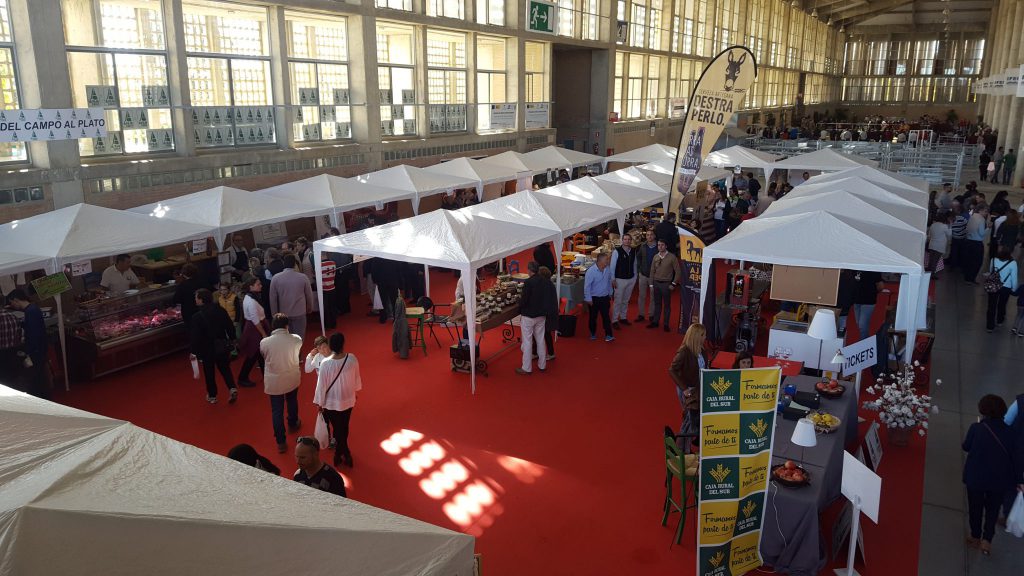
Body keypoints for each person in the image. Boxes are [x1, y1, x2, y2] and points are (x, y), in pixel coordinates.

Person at [962, 394, 1019, 556]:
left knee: (975, 507)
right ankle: (987, 540)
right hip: (999, 480)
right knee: (993, 509)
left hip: (976, 477)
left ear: (983, 410)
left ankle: (975, 536)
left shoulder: (976, 428)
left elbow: (966, 446)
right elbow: (1016, 457)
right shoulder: (1011, 433)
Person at [313, 332, 362, 468]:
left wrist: (319, 402)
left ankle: (340, 453)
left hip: (330, 402)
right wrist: (354, 392)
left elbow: (321, 386)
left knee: (337, 427)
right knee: (344, 426)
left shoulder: (325, 363)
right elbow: (356, 380)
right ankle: (345, 452)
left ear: (330, 345)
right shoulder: (352, 359)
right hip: (348, 400)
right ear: (343, 344)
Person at [260, 314, 303, 453]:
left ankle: (281, 442)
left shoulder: (265, 342)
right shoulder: (297, 339)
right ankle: (293, 423)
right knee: (292, 400)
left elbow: (264, 355)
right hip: (291, 377)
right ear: (287, 326)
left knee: (276, 410)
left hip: (274, 381)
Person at [189, 288, 238, 404]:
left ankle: (212, 396)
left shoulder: (197, 317)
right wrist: (232, 340)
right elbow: (230, 326)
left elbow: (195, 336)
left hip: (207, 348)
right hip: (222, 344)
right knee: (225, 368)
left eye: (196, 298)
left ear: (201, 300)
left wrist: (193, 351)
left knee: (209, 372)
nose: (195, 300)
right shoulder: (220, 310)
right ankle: (232, 387)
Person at [668, 323, 706, 454]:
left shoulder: (701, 350)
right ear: (696, 336)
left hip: (697, 390)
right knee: (690, 419)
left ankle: (682, 447)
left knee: (689, 420)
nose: (705, 337)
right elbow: (672, 369)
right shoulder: (684, 351)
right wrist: (684, 389)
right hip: (688, 391)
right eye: (703, 335)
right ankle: (682, 448)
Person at [5, 289, 48, 399]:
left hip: (36, 351)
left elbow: (34, 335)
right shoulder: (33, 309)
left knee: (37, 380)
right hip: (39, 350)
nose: (12, 306)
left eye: (11, 303)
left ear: (15, 300)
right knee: (40, 379)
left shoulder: (30, 311)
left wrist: (29, 352)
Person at [269, 254, 314, 338]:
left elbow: (273, 299)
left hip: (283, 314)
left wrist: (274, 314)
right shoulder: (303, 277)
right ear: (294, 264)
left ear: (283, 264)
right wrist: (310, 307)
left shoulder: (275, 278)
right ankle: (299, 351)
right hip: (300, 312)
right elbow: (309, 295)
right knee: (299, 336)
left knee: (286, 337)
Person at [516, 261, 548, 375]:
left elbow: (524, 300)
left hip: (529, 316)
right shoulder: (544, 281)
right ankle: (542, 364)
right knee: (540, 339)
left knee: (528, 341)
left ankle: (527, 367)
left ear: (529, 270)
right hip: (541, 315)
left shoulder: (528, 282)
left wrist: (519, 306)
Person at [238, 277, 268, 388]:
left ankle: (266, 376)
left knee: (259, 354)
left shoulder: (251, 297)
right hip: (254, 329)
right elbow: (255, 320)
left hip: (254, 327)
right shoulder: (250, 300)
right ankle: (242, 377)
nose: (260, 286)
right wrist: (263, 333)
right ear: (251, 286)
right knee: (254, 354)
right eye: (258, 284)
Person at [648, 240, 682, 332]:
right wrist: (651, 284)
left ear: (666, 246)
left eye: (662, 245)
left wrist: (673, 283)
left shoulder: (672, 257)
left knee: (667, 305)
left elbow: (678, 271)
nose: (660, 247)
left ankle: (666, 324)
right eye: (659, 245)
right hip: (656, 283)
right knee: (657, 303)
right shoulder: (655, 256)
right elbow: (652, 271)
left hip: (666, 284)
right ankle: (655, 321)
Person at [985, 247, 1018, 332]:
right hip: (1006, 287)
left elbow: (991, 271)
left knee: (991, 305)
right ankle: (999, 320)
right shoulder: (1013, 263)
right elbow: (1014, 278)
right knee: (1002, 304)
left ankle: (990, 326)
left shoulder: (993, 260)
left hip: (993, 285)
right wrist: (1014, 289)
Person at [583, 253, 614, 342]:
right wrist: (588, 299)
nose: (608, 261)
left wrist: (610, 293)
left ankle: (609, 334)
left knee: (606, 317)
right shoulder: (591, 271)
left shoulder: (607, 269)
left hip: (604, 297)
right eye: (606, 260)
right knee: (593, 317)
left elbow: (609, 282)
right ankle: (592, 333)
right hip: (594, 299)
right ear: (600, 261)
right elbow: (587, 286)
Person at [610, 234, 638, 329]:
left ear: (631, 241)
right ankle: (614, 320)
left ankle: (623, 317)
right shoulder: (616, 251)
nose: (627, 241)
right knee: (618, 300)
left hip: (630, 279)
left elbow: (635, 264)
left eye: (629, 239)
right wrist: (613, 279)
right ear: (622, 240)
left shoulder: (633, 251)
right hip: (620, 280)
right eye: (625, 239)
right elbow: (612, 266)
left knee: (626, 300)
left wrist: (635, 277)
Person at [173, 263, 206, 329]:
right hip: (203, 311)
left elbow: (176, 300)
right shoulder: (202, 281)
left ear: (184, 274)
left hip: (189, 313)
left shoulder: (182, 285)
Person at [635, 229, 659, 323]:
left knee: (653, 297)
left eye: (651, 235)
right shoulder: (643, 246)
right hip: (643, 275)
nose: (649, 236)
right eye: (648, 235)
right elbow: (638, 257)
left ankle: (651, 315)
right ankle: (641, 314)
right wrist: (639, 269)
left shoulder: (659, 246)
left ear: (654, 236)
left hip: (654, 276)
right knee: (641, 296)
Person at [852, 270, 883, 339]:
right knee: (859, 324)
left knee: (862, 325)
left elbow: (881, 286)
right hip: (856, 301)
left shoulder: (873, 270)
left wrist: (872, 292)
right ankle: (866, 344)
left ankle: (863, 345)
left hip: (868, 301)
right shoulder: (855, 268)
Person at [964, 203, 989, 284]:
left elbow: (967, 229)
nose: (986, 213)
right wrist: (988, 228)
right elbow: (981, 233)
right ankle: (972, 278)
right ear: (980, 210)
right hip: (977, 243)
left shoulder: (972, 217)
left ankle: (967, 277)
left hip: (968, 241)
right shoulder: (981, 219)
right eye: (985, 211)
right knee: (977, 262)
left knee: (968, 260)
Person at [926, 211, 952, 276]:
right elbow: (949, 234)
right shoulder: (944, 226)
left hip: (932, 244)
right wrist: (950, 226)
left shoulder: (933, 225)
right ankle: (932, 274)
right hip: (939, 246)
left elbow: (929, 235)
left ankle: (928, 271)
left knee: (931, 259)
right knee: (935, 260)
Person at [319, 252, 337, 330]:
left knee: (326, 308)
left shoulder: (320, 265)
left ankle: (327, 324)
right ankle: (334, 323)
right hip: (332, 287)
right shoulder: (333, 262)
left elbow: (318, 277)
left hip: (324, 289)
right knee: (332, 306)